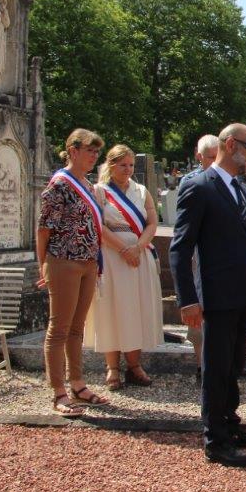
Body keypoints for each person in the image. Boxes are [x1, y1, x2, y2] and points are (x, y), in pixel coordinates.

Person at [170, 123, 246, 468]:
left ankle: (231, 423)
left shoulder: (243, 192)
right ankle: (216, 440)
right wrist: (187, 299)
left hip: (244, 293)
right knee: (216, 368)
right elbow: (180, 247)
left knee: (233, 365)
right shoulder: (199, 187)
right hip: (216, 295)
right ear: (229, 145)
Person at [37, 128, 109, 417]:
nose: (94, 156)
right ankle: (58, 391)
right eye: (90, 150)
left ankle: (77, 383)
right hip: (63, 260)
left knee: (77, 328)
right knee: (59, 328)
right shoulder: (60, 185)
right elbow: (44, 229)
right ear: (73, 150)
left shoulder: (87, 184)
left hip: (88, 262)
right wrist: (42, 264)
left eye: (97, 151)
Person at [85, 144, 164, 390]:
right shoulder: (99, 191)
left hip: (139, 255)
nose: (128, 169)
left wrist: (138, 247)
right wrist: (123, 249)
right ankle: (112, 367)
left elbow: (152, 223)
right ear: (111, 165)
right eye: (123, 165)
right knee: (112, 308)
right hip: (112, 256)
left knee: (135, 309)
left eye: (131, 165)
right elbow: (98, 226)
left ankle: (134, 365)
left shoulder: (141, 191)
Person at [179, 134, 219, 383]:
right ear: (199, 157)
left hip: (222, 257)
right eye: (210, 157)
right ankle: (201, 366)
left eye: (218, 157)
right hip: (198, 255)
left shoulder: (229, 179)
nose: (214, 162)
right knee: (199, 311)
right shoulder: (191, 182)